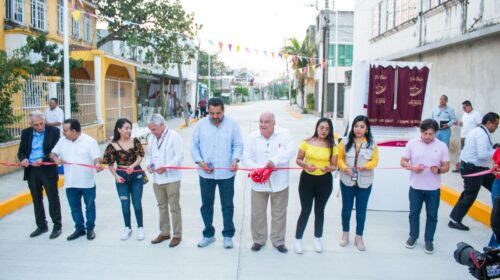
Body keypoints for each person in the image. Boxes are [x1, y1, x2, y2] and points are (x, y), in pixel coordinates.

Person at [191, 97, 243, 249]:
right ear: (207, 110)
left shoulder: (232, 124)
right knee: (206, 205)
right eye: (211, 113)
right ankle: (208, 234)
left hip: (226, 173)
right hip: (205, 173)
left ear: (223, 110)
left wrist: (235, 160)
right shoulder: (200, 125)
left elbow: (238, 144)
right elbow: (194, 146)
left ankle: (227, 235)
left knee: (227, 205)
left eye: (218, 113)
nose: (215, 116)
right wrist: (201, 162)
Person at [242, 112, 295, 253]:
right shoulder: (252, 137)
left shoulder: (284, 134)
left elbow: (290, 151)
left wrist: (275, 161)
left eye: (266, 122)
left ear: (273, 123)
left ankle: (278, 241)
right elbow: (246, 157)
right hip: (259, 183)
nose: (263, 125)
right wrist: (259, 170)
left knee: (279, 214)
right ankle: (259, 240)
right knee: (257, 213)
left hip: (280, 183)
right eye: (261, 121)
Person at [401, 119, 450, 254]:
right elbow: (403, 162)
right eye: (425, 133)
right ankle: (413, 236)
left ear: (435, 133)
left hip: (433, 189)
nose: (428, 137)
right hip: (416, 187)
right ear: (420, 132)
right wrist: (413, 167)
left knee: (432, 215)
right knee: (414, 213)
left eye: (431, 134)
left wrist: (439, 170)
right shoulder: (412, 143)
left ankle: (429, 240)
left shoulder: (442, 146)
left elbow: (446, 166)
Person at [50, 119, 103, 241]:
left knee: (89, 207)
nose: (63, 133)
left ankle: (90, 229)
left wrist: (98, 164)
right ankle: (79, 229)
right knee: (74, 208)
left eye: (65, 130)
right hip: (70, 183)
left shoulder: (90, 141)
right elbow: (52, 153)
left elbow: (97, 158)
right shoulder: (62, 141)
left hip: (87, 183)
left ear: (74, 131)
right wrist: (55, 158)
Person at [294, 118, 338, 254]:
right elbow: (298, 160)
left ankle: (318, 239)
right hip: (307, 180)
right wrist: (306, 165)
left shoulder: (332, 146)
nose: (324, 131)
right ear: (316, 128)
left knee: (319, 211)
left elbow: (334, 166)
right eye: (321, 127)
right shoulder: (306, 142)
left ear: (330, 131)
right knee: (305, 210)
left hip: (324, 182)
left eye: (327, 128)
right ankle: (298, 240)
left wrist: (328, 168)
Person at [449, 112, 499, 231]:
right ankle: (454, 220)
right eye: (495, 124)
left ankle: (454, 218)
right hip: (474, 169)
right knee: (469, 195)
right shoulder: (481, 134)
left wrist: (493, 149)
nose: (497, 127)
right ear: (488, 123)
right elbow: (482, 155)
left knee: (495, 187)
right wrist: (496, 152)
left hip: (478, 168)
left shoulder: (479, 131)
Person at [17, 111, 62, 239]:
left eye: (42, 123)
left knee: (52, 198)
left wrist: (43, 159)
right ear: (31, 124)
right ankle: (41, 225)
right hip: (32, 170)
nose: (40, 127)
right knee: (36, 199)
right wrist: (24, 159)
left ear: (44, 120)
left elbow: (55, 151)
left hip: (47, 169)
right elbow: (21, 152)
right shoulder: (26, 133)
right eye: (36, 125)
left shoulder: (53, 131)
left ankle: (57, 226)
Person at [337, 115, 379, 251]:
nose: (358, 129)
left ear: (367, 129)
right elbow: (339, 159)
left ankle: (359, 237)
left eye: (362, 126)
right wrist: (345, 168)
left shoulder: (372, 144)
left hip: (364, 182)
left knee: (361, 211)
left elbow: (375, 161)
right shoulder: (344, 141)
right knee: (346, 210)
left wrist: (366, 166)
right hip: (347, 180)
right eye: (356, 126)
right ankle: (345, 234)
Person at [102, 118, 146, 241]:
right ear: (119, 129)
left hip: (136, 174)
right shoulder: (112, 146)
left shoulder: (135, 141)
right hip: (121, 176)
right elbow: (110, 164)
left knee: (137, 204)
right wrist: (116, 176)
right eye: (126, 128)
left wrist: (132, 166)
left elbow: (139, 157)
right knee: (125, 204)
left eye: (130, 128)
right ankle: (127, 227)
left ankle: (140, 227)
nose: (129, 130)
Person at [146, 114, 184, 248]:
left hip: (171, 178)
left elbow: (179, 156)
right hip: (157, 179)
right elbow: (149, 155)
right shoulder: (151, 138)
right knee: (161, 206)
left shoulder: (174, 136)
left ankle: (177, 235)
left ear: (161, 125)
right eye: (150, 129)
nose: (152, 132)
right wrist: (149, 165)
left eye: (154, 129)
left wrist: (166, 167)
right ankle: (165, 232)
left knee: (174, 207)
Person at [453, 101, 482, 172]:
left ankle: (466, 168)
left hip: (471, 138)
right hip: (463, 136)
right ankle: (461, 167)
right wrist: (458, 123)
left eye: (464, 107)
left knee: (469, 153)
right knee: (463, 152)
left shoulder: (476, 114)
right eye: (463, 108)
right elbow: (463, 123)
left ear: (469, 106)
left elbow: (479, 125)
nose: (463, 109)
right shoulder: (465, 114)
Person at [489, 147, 500, 247]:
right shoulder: (498, 150)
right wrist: (495, 169)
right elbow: (493, 166)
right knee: (497, 216)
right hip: (498, 184)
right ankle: (493, 247)